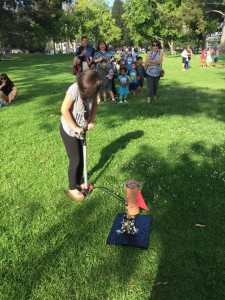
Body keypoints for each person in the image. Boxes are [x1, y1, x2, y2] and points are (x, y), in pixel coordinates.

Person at [60, 69, 102, 201]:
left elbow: (94, 105)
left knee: (82, 158)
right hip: (69, 129)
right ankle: (72, 188)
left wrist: (91, 121)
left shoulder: (93, 89)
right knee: (75, 159)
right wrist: (75, 127)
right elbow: (64, 109)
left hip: (82, 129)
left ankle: (78, 182)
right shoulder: (74, 89)